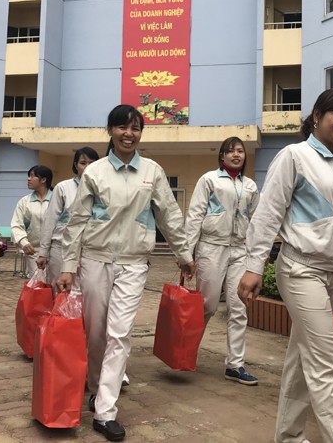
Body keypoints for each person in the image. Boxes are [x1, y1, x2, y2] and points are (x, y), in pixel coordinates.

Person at [238, 88, 333, 443]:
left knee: (304, 360)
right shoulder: (295, 156)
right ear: (317, 116)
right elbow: (268, 214)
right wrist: (254, 265)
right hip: (300, 269)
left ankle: (288, 436)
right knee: (327, 364)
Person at [57, 104, 195, 442]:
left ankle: (105, 410)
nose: (128, 134)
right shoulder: (96, 172)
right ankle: (95, 386)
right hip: (95, 260)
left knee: (119, 334)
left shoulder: (152, 171)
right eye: (122, 127)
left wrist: (184, 254)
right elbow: (76, 224)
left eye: (135, 128)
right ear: (110, 131)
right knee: (95, 334)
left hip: (134, 263)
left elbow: (170, 216)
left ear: (141, 133)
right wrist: (68, 266)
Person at [185, 136, 260, 384]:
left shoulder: (250, 186)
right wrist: (187, 253)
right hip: (211, 247)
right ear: (222, 156)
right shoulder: (209, 179)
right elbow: (195, 215)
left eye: (240, 151)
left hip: (240, 250)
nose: (236, 154)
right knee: (206, 305)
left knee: (239, 307)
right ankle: (187, 354)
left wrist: (258, 255)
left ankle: (235, 364)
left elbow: (257, 220)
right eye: (230, 151)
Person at [36, 147, 99, 294]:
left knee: (85, 293)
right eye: (83, 163)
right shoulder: (63, 188)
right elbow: (50, 220)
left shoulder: (102, 189)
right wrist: (43, 252)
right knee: (61, 291)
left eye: (92, 163)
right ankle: (57, 317)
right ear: (76, 165)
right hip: (61, 248)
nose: (88, 167)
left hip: (90, 249)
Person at [11, 165, 53, 278]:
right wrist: (23, 242)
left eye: (32, 176)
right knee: (38, 284)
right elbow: (16, 225)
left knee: (55, 285)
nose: (29, 179)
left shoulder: (57, 199)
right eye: (28, 176)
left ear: (43, 180)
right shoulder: (24, 202)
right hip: (34, 250)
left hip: (55, 250)